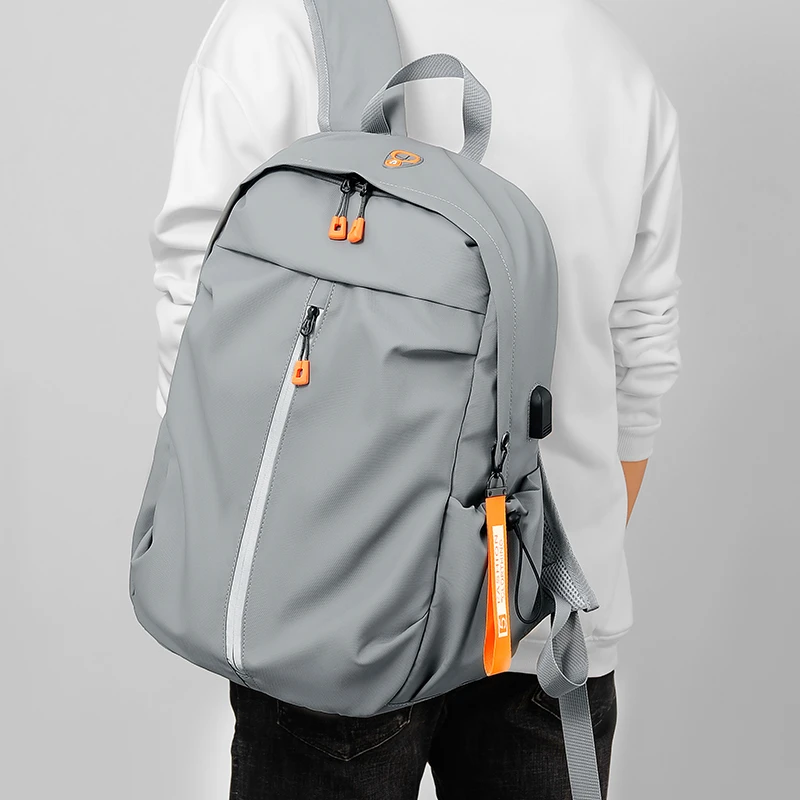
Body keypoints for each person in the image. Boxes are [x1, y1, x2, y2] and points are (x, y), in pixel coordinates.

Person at [149, 0, 682, 797]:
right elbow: (642, 357)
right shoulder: (617, 66)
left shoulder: (285, 21)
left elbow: (197, 304)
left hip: (331, 600)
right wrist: (539, 554)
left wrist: (240, 547)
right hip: (544, 608)